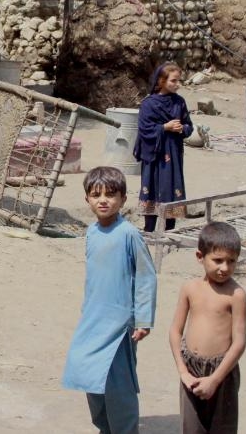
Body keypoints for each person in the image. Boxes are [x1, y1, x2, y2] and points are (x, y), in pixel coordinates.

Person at [62, 166, 158, 434]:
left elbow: (146, 277)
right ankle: (105, 428)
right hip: (93, 319)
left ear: (123, 199)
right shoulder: (91, 233)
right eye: (96, 194)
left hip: (119, 324)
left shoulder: (129, 234)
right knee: (90, 377)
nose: (103, 200)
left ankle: (125, 430)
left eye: (111, 194)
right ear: (87, 200)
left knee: (118, 385)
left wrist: (143, 319)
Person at [168, 222, 246, 434]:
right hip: (191, 369)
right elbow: (175, 331)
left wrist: (215, 379)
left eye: (231, 261)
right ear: (200, 256)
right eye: (218, 260)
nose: (225, 268)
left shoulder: (236, 295)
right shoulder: (190, 289)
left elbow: (239, 343)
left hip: (222, 371)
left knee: (222, 428)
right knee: (192, 427)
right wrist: (183, 372)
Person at [133, 62, 194, 233]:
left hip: (173, 153)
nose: (177, 84)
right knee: (151, 186)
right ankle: (150, 229)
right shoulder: (148, 104)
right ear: (161, 81)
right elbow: (144, 129)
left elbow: (189, 126)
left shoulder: (179, 102)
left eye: (178, 81)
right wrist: (164, 127)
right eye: (173, 81)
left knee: (171, 186)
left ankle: (169, 230)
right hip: (154, 154)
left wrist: (182, 128)